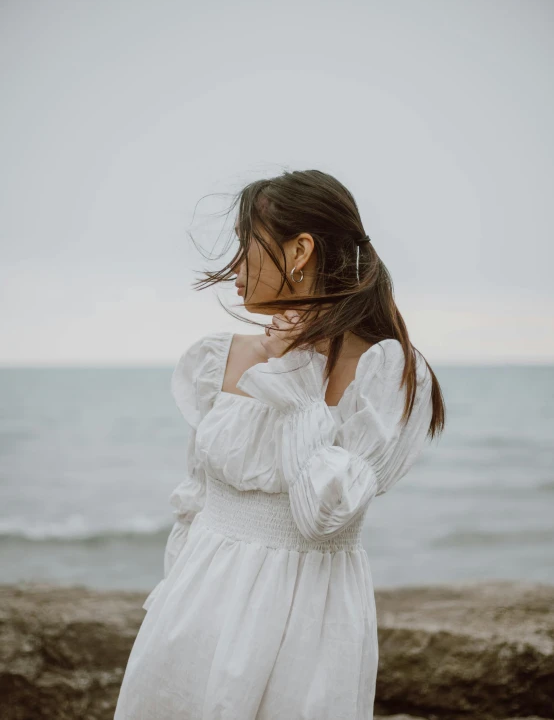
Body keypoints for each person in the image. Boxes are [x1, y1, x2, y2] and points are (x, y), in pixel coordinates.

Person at [114, 169, 446, 719]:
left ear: (300, 250)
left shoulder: (388, 371)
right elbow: (196, 503)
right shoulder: (217, 358)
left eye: (246, 245)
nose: (236, 269)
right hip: (193, 614)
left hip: (308, 630)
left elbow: (322, 517)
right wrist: (174, 597)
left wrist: (298, 389)